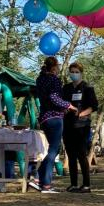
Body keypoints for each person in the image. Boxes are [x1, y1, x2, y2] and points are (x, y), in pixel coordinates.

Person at [34, 56, 76, 194]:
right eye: (57, 67)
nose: (58, 69)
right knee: (54, 149)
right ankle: (46, 184)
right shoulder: (54, 79)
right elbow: (54, 97)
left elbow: (45, 97)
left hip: (44, 118)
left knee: (53, 149)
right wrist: (68, 105)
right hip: (54, 117)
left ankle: (38, 177)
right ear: (54, 67)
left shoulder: (40, 79)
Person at [61, 61, 99, 193]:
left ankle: (86, 185)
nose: (74, 74)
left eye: (77, 72)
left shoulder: (87, 88)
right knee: (71, 155)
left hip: (82, 126)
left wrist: (81, 114)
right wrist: (64, 110)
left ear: (81, 73)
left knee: (81, 154)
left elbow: (93, 106)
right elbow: (61, 104)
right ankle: (73, 184)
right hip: (68, 125)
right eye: (72, 72)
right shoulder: (66, 88)